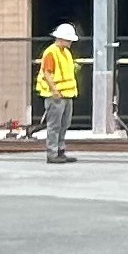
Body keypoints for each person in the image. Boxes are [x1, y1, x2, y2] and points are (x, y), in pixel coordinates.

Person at [34, 24, 81, 163]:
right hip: (56, 96)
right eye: (69, 40)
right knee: (54, 125)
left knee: (64, 124)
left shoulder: (65, 52)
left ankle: (60, 151)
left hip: (66, 94)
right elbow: (47, 73)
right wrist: (54, 91)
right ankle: (52, 154)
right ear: (61, 39)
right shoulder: (51, 52)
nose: (71, 43)